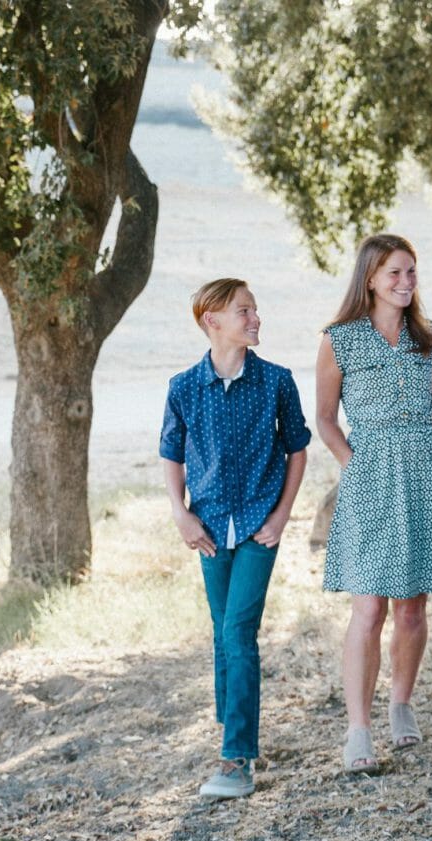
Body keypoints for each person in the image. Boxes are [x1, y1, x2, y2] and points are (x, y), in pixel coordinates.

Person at [317, 234, 432, 775]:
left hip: (424, 469)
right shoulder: (341, 339)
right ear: (370, 279)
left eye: (411, 273)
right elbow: (327, 419)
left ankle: (401, 702)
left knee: (412, 605)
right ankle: (358, 728)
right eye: (394, 274)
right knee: (369, 608)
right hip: (369, 474)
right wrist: (352, 464)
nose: (405, 284)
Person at [160, 278, 311, 798]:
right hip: (207, 527)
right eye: (244, 311)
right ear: (213, 321)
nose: (255, 319)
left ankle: (237, 757)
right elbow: (171, 453)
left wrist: (283, 516)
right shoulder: (183, 387)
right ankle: (234, 727)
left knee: (239, 631)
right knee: (222, 629)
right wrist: (180, 514)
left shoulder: (277, 382)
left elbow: (297, 450)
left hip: (257, 527)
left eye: (256, 310)